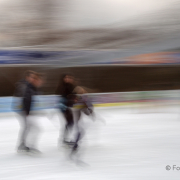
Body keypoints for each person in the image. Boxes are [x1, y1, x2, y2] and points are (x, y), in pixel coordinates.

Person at [16, 72, 43, 153]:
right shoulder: (28, 87)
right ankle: (28, 145)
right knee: (35, 128)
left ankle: (23, 145)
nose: (36, 81)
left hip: (26, 112)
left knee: (28, 128)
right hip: (25, 112)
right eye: (34, 79)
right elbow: (26, 99)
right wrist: (27, 112)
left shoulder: (31, 87)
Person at [56, 73, 77, 146]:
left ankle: (64, 139)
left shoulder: (70, 86)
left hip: (67, 106)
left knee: (70, 122)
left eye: (69, 77)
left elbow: (73, 96)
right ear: (63, 79)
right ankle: (64, 140)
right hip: (64, 106)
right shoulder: (63, 86)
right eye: (66, 77)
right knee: (69, 122)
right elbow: (66, 96)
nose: (67, 79)